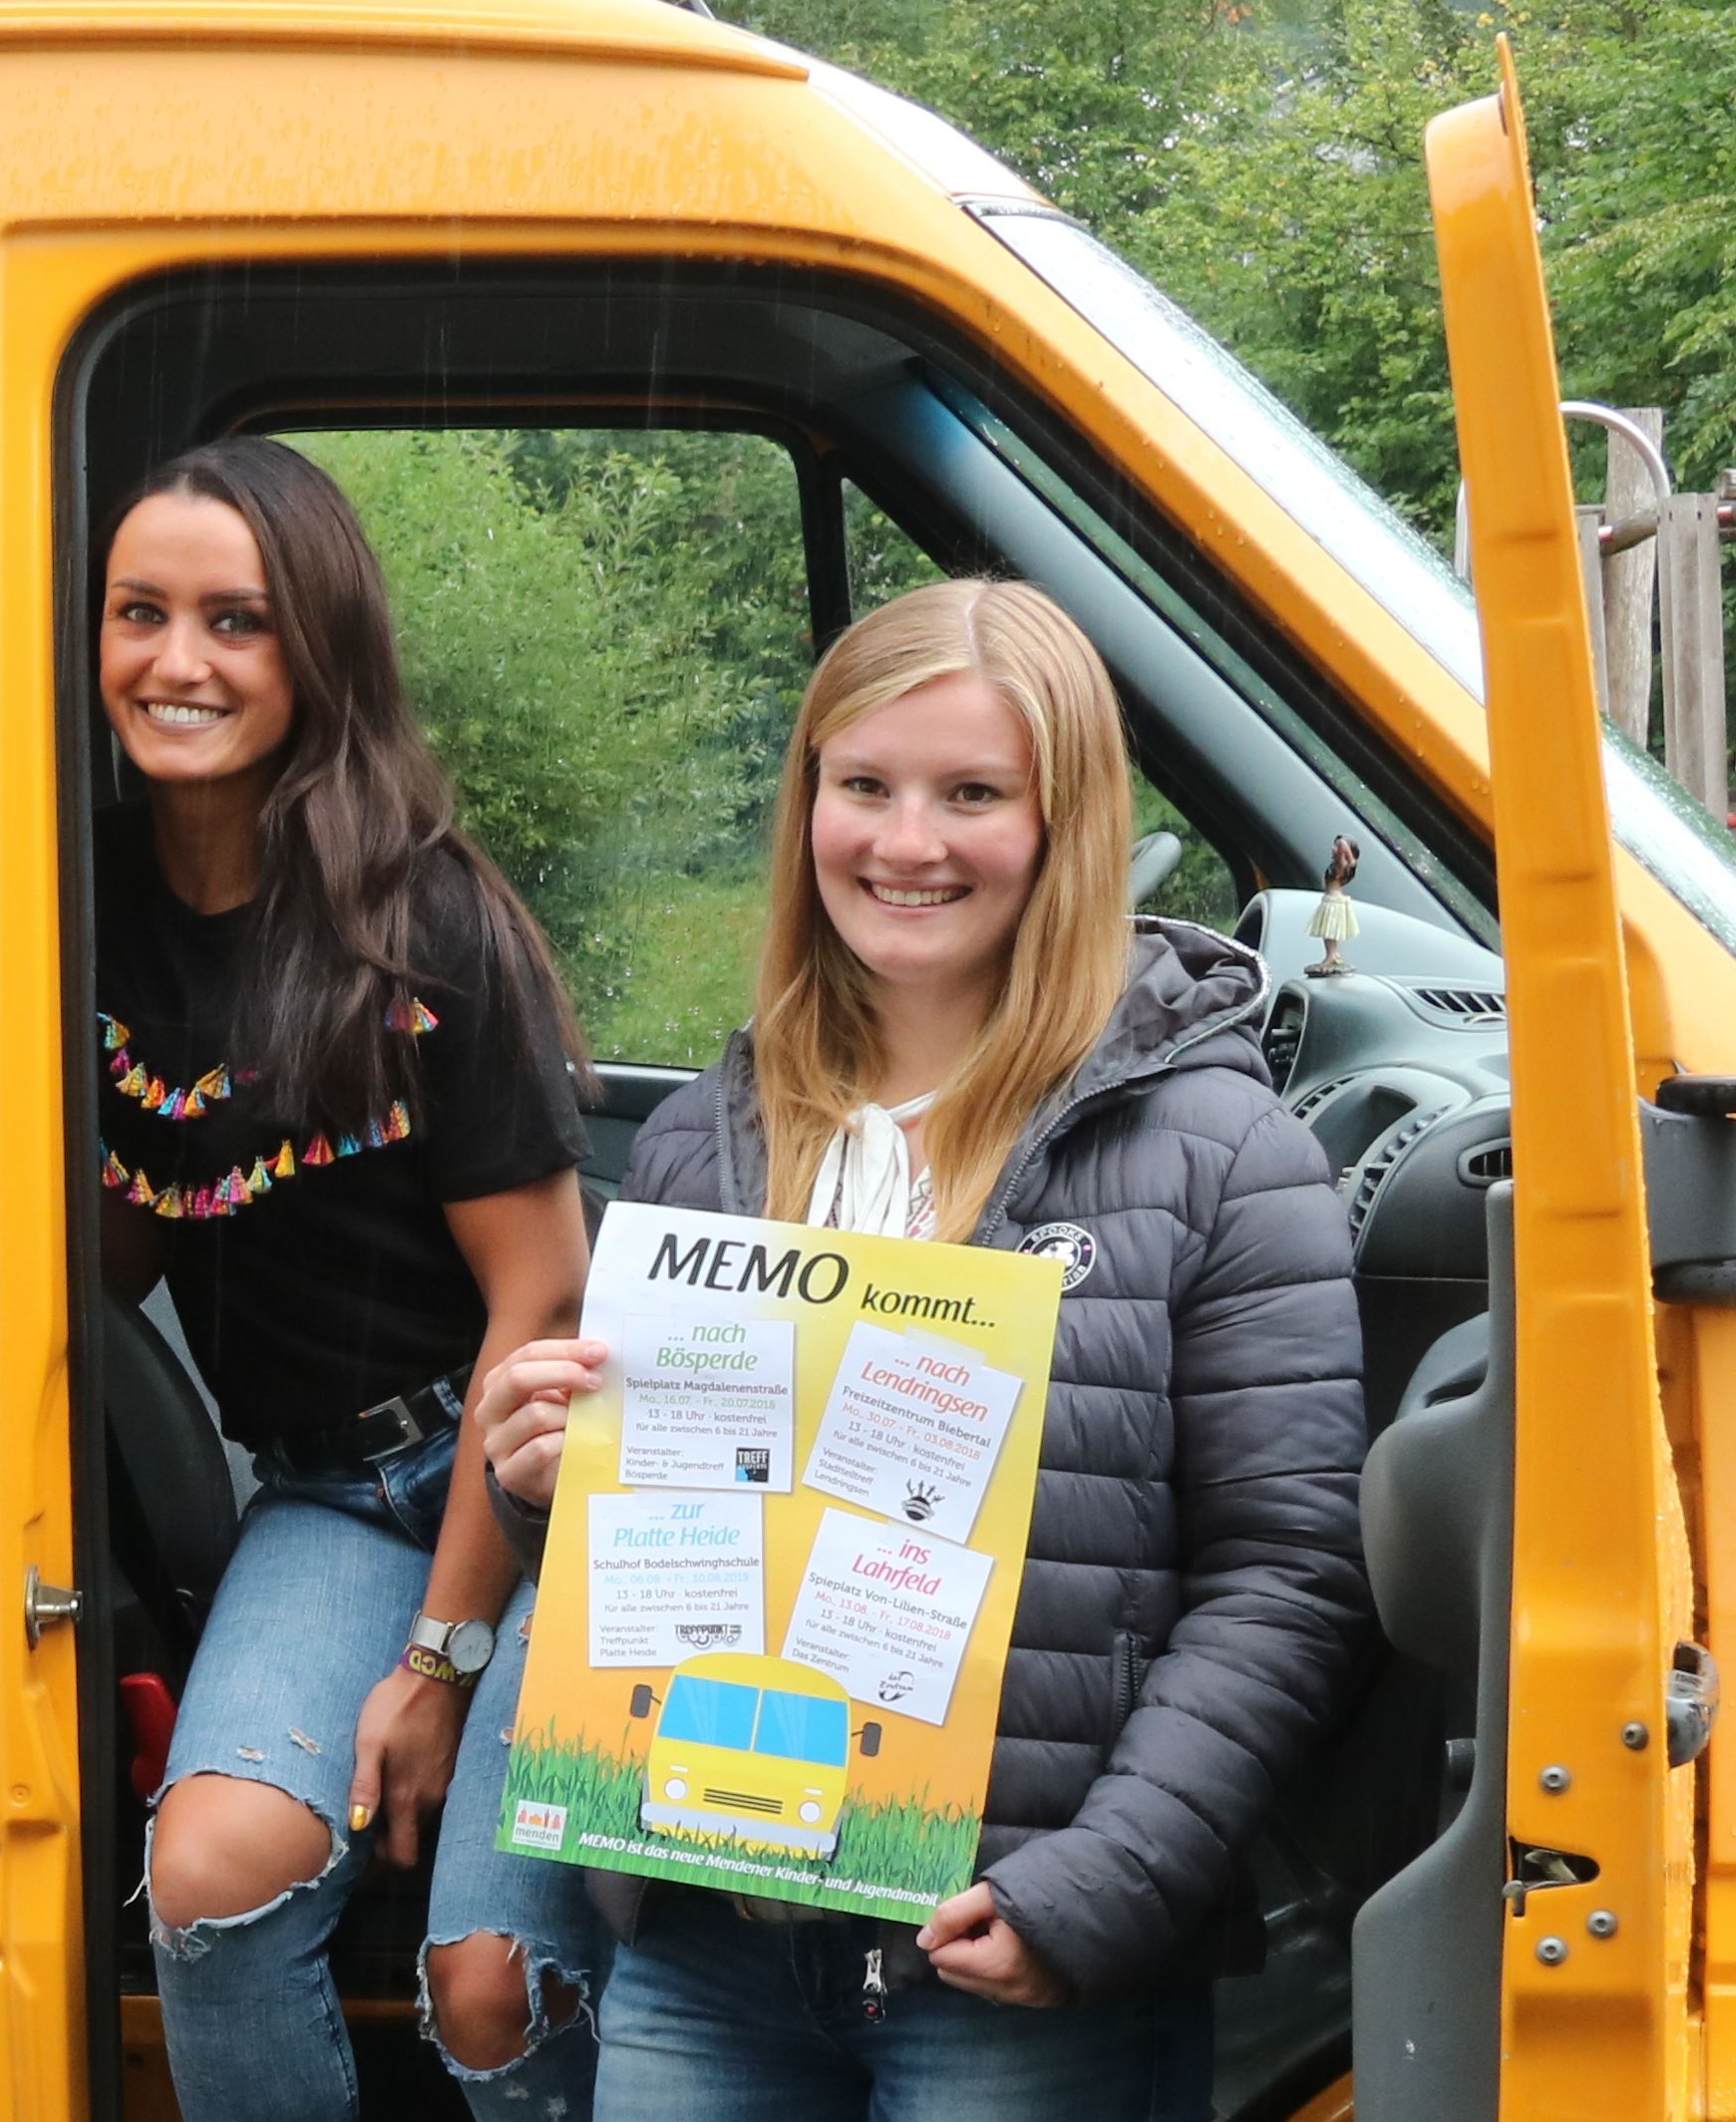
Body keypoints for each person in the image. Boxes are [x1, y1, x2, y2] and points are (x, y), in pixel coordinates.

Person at [471, 579, 1365, 2117]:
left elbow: (1288, 1580)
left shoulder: (1221, 1151)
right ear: (808, 800)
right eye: (863, 786)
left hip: (1006, 1956)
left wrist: (1095, 1893)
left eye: (972, 795)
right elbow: (655, 1550)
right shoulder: (709, 1138)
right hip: (713, 1924)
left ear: (1066, 821)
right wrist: (544, 1483)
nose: (905, 842)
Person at [96, 438, 607, 2121]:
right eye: (139, 614)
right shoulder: (79, 904)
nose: (180, 664)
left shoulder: (422, 918)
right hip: (322, 1489)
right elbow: (148, 1220)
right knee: (212, 1881)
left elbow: (541, 1305)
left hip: (529, 1487)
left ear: (317, 648)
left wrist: (443, 1664)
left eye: (236, 621)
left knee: (487, 1983)